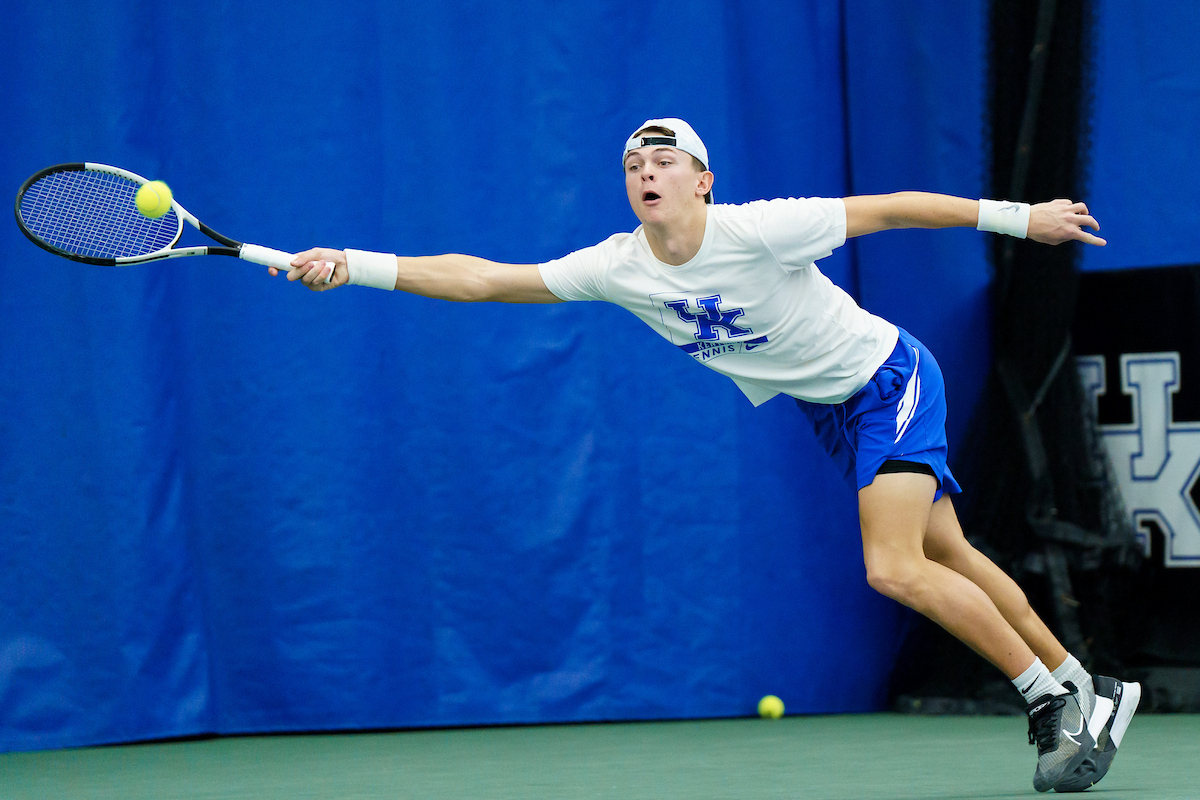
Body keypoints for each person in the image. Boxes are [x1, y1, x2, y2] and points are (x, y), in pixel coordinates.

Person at [271, 118, 1138, 792]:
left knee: (892, 566)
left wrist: (1020, 218)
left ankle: (1048, 699)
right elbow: (487, 277)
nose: (646, 175)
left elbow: (892, 206)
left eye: (663, 162)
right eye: (633, 168)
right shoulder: (617, 266)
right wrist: (354, 263)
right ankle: (1084, 682)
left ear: (702, 180)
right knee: (947, 553)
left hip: (890, 378)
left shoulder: (759, 229)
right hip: (829, 409)